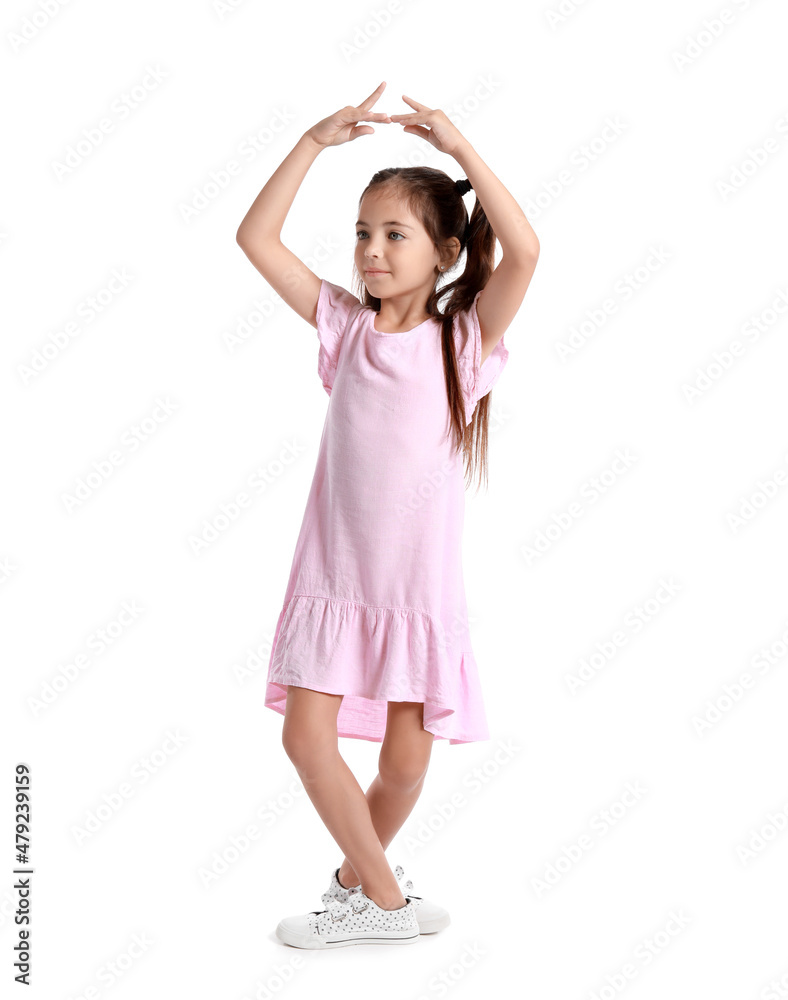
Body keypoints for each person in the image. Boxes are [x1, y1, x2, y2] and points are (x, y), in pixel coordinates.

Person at [236, 81, 539, 949]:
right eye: (363, 233)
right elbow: (256, 239)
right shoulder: (344, 327)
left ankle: (351, 886)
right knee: (307, 740)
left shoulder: (462, 342)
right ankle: (387, 907)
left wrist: (460, 144)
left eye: (394, 234)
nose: (371, 250)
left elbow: (524, 251)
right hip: (336, 579)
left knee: (405, 766)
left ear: (444, 251)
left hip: (415, 593)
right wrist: (309, 139)